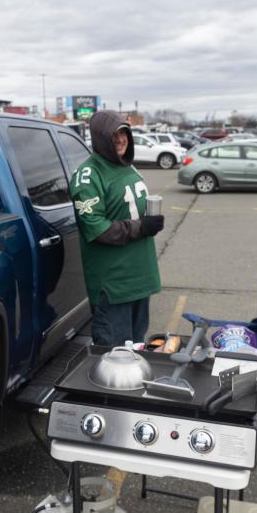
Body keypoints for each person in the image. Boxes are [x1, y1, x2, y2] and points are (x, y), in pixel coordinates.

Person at [70, 111, 164, 347]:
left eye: (124, 133)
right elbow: (97, 229)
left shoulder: (127, 167)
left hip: (140, 280)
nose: (122, 139)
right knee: (114, 359)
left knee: (137, 351)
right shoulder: (89, 175)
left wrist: (150, 221)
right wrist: (140, 227)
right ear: (101, 138)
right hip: (114, 286)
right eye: (114, 135)